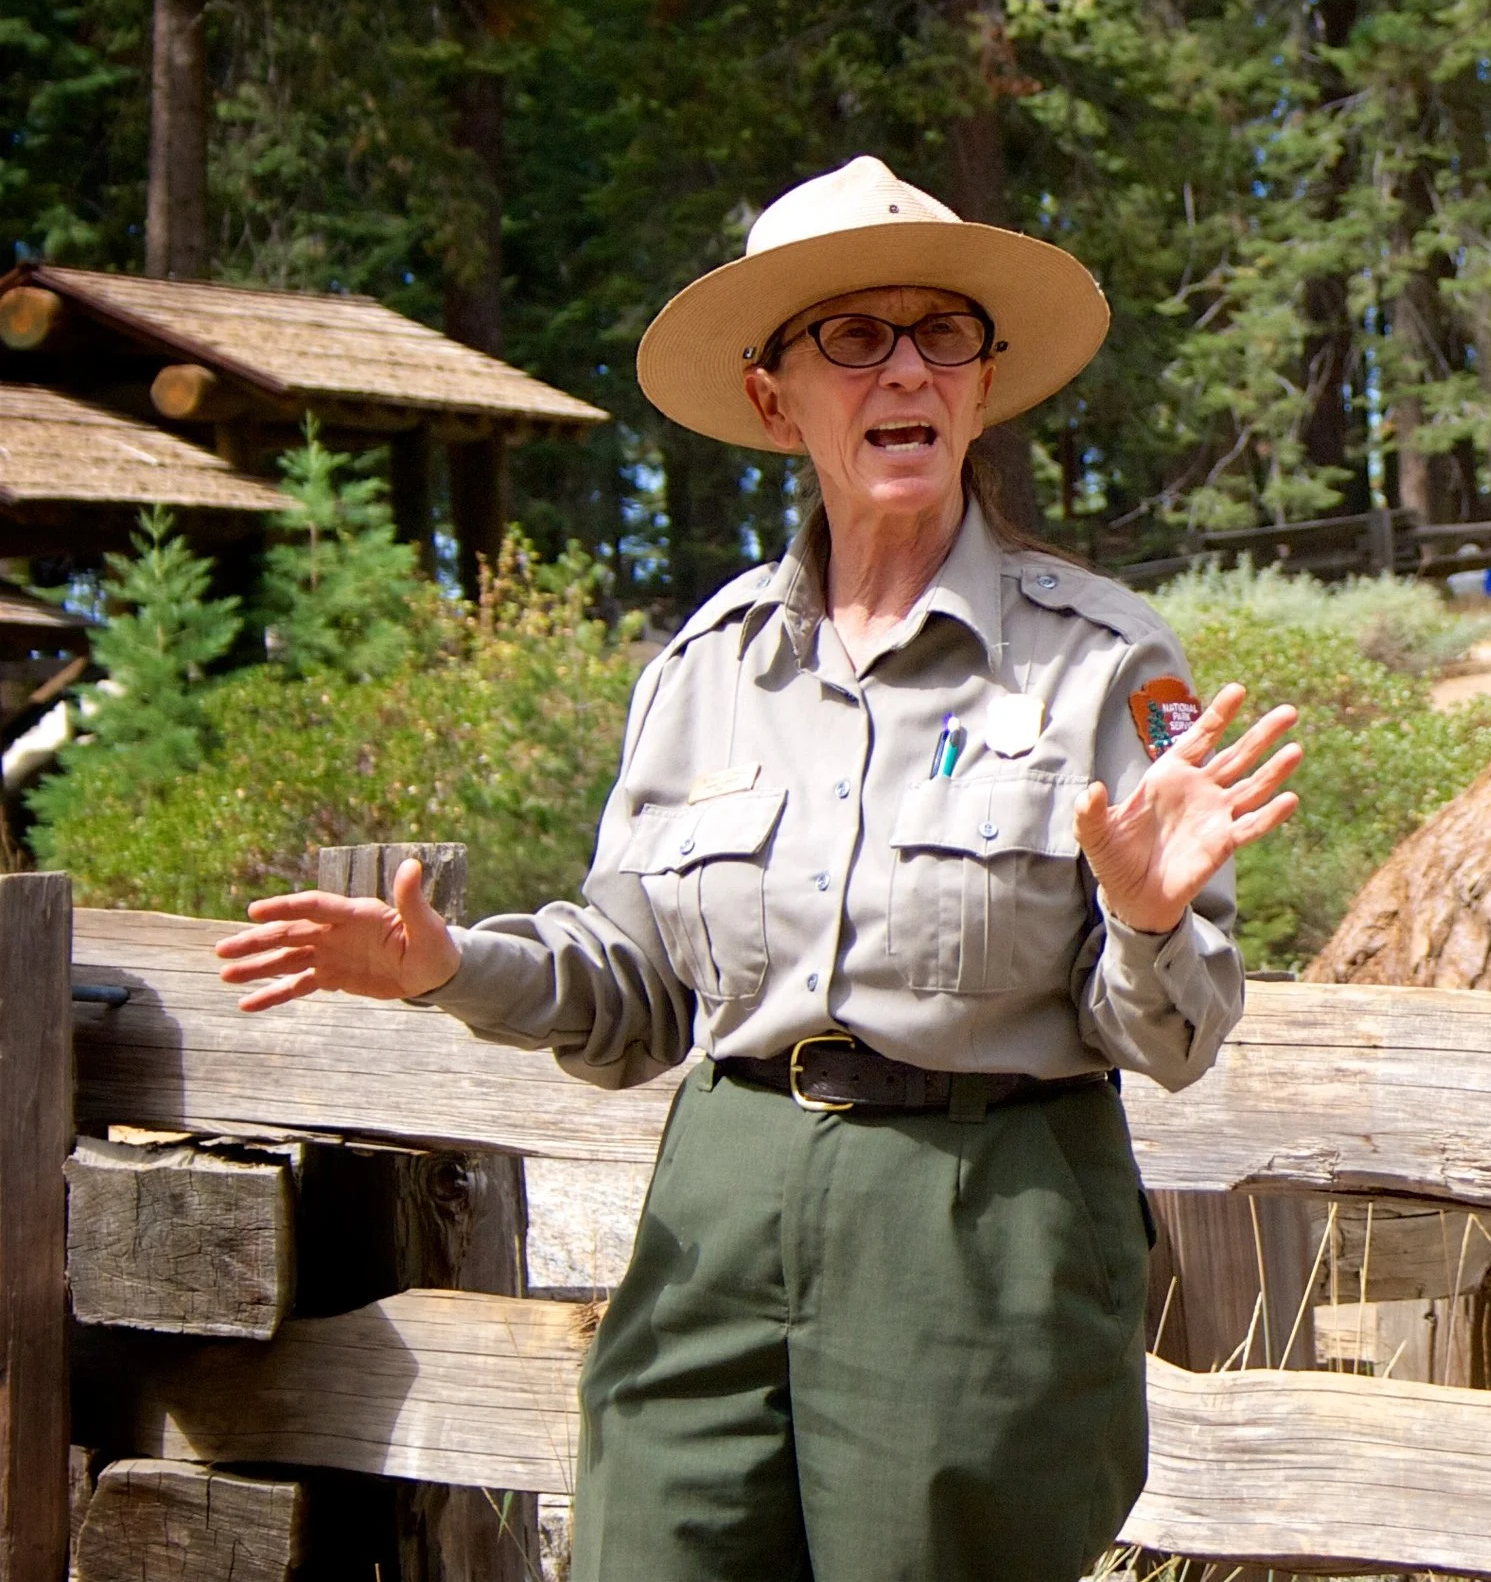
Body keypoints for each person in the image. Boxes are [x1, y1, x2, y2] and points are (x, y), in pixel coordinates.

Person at [212, 155, 1302, 1582]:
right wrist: (447, 965)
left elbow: (1175, 1037)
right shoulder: (704, 668)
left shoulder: (1102, 660)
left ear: (981, 383)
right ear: (775, 397)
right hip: (718, 1206)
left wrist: (1150, 920)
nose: (904, 367)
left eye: (942, 336)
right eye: (854, 336)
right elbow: (634, 986)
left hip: (978, 1218)